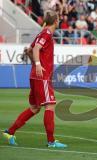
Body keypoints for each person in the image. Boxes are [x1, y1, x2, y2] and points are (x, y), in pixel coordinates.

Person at [2, 10, 67, 148]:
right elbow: (36, 48)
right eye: (59, 19)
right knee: (50, 105)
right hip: (41, 77)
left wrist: (35, 63)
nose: (59, 21)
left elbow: (30, 50)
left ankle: (10, 131)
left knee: (35, 108)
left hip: (36, 75)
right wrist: (38, 64)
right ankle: (51, 141)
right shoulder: (47, 33)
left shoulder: (42, 33)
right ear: (55, 21)